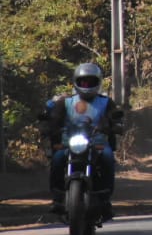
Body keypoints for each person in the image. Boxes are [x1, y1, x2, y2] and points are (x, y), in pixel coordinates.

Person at [42, 62, 120, 219]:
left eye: (91, 82)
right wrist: (48, 127)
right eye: (83, 82)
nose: (87, 85)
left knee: (107, 157)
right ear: (76, 81)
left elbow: (116, 118)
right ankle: (57, 198)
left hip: (98, 143)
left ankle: (105, 198)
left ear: (98, 82)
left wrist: (115, 125)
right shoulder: (65, 102)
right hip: (69, 143)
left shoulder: (106, 102)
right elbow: (54, 119)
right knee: (57, 159)